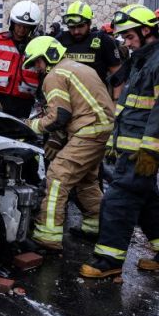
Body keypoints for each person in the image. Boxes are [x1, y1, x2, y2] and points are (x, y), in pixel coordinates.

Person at [81, 5, 159, 279]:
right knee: (146, 197)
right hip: (130, 145)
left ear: (146, 30)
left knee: (118, 200)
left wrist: (150, 150)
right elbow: (128, 105)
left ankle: (108, 260)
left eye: (129, 36)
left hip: (142, 149)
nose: (126, 42)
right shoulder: (142, 59)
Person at [22, 36, 114, 253]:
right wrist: (59, 137)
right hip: (102, 128)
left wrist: (31, 125)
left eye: (37, 62)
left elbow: (59, 116)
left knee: (57, 176)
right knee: (86, 179)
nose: (37, 68)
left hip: (88, 130)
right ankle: (96, 225)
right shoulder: (78, 67)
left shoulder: (54, 75)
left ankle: (47, 235)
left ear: (49, 55)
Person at [57, 0, 121, 91]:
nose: (76, 31)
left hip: (96, 100)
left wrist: (116, 101)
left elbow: (117, 74)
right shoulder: (60, 40)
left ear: (89, 23)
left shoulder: (103, 40)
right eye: (72, 27)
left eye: (80, 26)